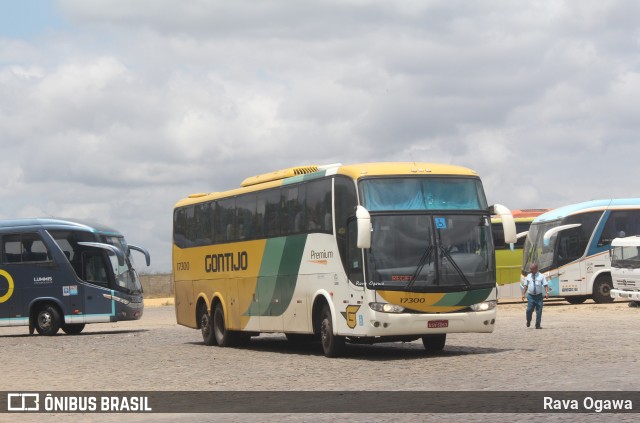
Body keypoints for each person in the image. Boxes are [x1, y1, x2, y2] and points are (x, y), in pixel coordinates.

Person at [521, 263, 549, 329]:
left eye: (532, 269)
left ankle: (537, 325)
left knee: (539, 310)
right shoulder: (528, 276)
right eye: (530, 269)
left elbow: (545, 285)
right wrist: (523, 294)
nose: (531, 271)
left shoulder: (541, 276)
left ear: (536, 269)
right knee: (529, 310)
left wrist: (547, 293)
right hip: (531, 296)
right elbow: (526, 286)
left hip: (539, 296)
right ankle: (528, 321)